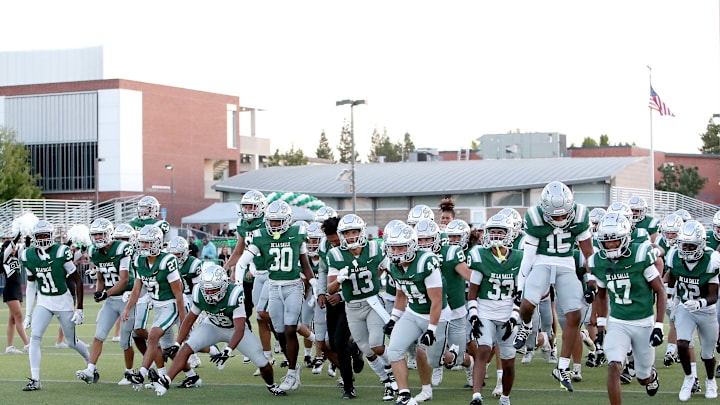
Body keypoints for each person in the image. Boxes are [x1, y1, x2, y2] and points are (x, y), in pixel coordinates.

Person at [149, 264, 286, 396]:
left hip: (234, 330)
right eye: (206, 290)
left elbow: (239, 329)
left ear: (224, 286)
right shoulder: (199, 292)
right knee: (186, 347)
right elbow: (189, 319)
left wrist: (228, 350)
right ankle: (166, 380)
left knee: (262, 362)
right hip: (212, 326)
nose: (209, 294)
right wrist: (177, 343)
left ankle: (271, 385)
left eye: (213, 290)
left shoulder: (234, 293)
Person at [513, 181, 594, 392]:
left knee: (575, 315)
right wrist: (519, 287)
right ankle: (527, 326)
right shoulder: (535, 216)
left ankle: (563, 367)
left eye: (562, 215)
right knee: (528, 303)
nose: (559, 220)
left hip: (566, 264)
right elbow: (528, 258)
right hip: (541, 261)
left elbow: (588, 253)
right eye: (554, 216)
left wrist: (592, 279)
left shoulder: (580, 214)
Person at [234, 200, 317, 392]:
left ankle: (290, 372)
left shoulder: (297, 234)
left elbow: (305, 264)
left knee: (289, 329)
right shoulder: (261, 236)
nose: (273, 225)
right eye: (271, 221)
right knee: (279, 331)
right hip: (273, 287)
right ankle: (294, 367)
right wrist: (238, 284)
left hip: (293, 286)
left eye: (278, 221)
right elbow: (242, 262)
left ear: (287, 220)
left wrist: (312, 283)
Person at [590, 212, 666, 404]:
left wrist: (658, 325)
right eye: (607, 242)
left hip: (643, 322)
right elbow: (601, 294)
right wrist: (600, 325)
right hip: (618, 322)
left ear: (625, 239)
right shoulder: (597, 262)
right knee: (614, 366)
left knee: (642, 377)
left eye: (615, 241)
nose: (611, 245)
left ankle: (651, 377)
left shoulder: (640, 255)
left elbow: (661, 291)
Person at [327, 214, 396, 401]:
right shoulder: (335, 254)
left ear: (361, 232)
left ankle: (392, 373)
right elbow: (330, 288)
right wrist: (339, 280)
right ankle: (387, 381)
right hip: (352, 307)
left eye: (354, 231)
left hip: (372, 302)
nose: (350, 236)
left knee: (377, 345)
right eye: (347, 232)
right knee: (366, 350)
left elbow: (393, 269)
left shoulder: (374, 248)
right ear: (341, 235)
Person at [20, 220, 90, 391]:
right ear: (35, 238)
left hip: (63, 300)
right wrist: (28, 314)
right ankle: (35, 379)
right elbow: (30, 286)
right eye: (40, 236)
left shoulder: (61, 252)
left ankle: (90, 363)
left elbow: (78, 280)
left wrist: (79, 308)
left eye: (46, 235)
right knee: (35, 337)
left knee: (71, 342)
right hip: (44, 300)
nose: (43, 239)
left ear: (52, 236)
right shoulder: (28, 255)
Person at [383, 222, 448, 405]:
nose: (396, 252)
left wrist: (431, 329)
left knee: (434, 360)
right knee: (394, 350)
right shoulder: (393, 264)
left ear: (412, 245)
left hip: (437, 315)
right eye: (393, 248)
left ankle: (458, 358)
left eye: (401, 247)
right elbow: (401, 294)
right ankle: (404, 394)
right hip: (413, 313)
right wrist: (393, 319)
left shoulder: (426, 261)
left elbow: (437, 300)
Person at [467, 213, 523, 405]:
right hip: (485, 311)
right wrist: (473, 316)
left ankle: (505, 397)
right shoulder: (479, 255)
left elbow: (520, 293)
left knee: (508, 361)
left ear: (509, 235)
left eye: (500, 232)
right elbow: (472, 291)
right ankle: (476, 396)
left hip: (508, 312)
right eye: (493, 232)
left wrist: (515, 317)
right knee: (483, 349)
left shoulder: (519, 258)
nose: (496, 236)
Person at [121, 225, 186, 389]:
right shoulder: (139, 261)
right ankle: (192, 376)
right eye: (142, 243)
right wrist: (128, 308)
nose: (143, 246)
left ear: (157, 243)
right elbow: (136, 289)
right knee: (167, 347)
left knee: (153, 336)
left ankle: (142, 374)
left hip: (170, 305)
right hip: (156, 305)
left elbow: (178, 293)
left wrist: (184, 318)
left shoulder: (167, 260)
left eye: (148, 243)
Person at [75, 218, 135, 384]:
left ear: (109, 233)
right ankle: (90, 369)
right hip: (110, 300)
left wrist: (105, 294)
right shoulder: (94, 251)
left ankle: (129, 372)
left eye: (101, 233)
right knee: (99, 335)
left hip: (126, 298)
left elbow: (124, 280)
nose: (98, 237)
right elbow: (101, 277)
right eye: (95, 234)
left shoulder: (122, 248)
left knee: (125, 340)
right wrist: (98, 292)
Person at [666, 220, 720, 401]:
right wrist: (669, 297)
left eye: (691, 245)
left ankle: (711, 380)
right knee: (682, 343)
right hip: (685, 308)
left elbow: (714, 295)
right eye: (684, 245)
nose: (687, 249)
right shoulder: (674, 256)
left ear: (701, 244)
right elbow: (672, 277)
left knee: (707, 354)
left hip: (706, 310)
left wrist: (700, 303)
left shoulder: (711, 259)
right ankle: (689, 378)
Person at [223, 190, 273, 375]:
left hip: (270, 272)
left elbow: (273, 249)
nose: (248, 210)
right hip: (254, 274)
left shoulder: (269, 222)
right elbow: (238, 251)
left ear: (261, 207)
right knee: (255, 314)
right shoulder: (243, 224)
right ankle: (265, 354)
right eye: (245, 206)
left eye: (251, 206)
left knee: (268, 315)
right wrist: (226, 268)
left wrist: (252, 265)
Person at [2, 235, 30, 354]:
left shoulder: (15, 257)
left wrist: (27, 237)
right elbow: (11, 246)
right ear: (4, 249)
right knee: (19, 316)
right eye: (10, 248)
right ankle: (27, 344)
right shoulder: (3, 258)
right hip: (10, 290)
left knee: (12, 319)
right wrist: (18, 233)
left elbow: (24, 249)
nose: (13, 250)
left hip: (17, 290)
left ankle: (9, 346)